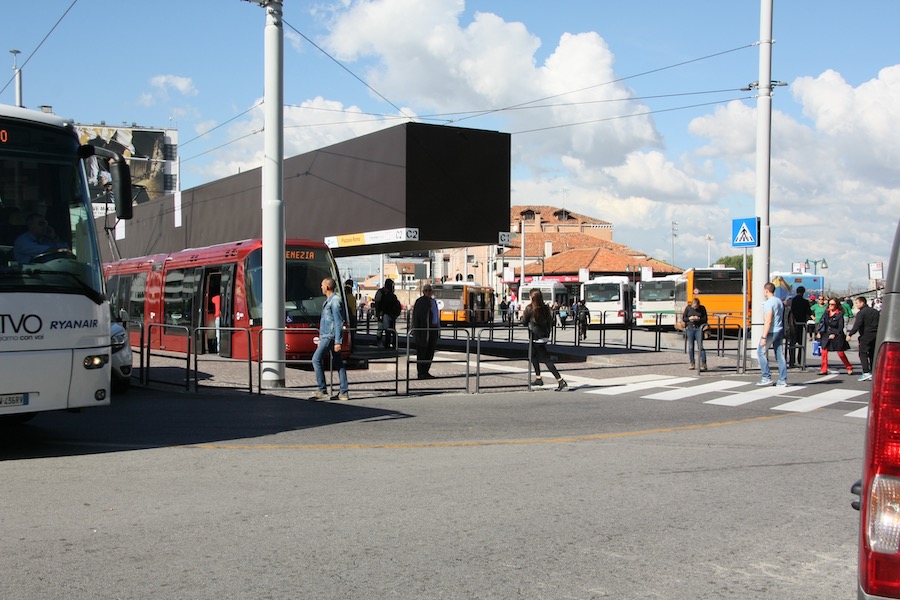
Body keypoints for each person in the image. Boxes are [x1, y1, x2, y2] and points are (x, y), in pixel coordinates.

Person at [521, 288, 567, 391]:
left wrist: (522, 318)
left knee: (546, 359)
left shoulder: (530, 308)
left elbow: (524, 322)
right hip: (544, 336)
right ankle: (538, 378)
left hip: (535, 337)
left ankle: (560, 380)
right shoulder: (545, 308)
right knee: (533, 355)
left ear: (532, 297)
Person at [311, 277, 349, 401]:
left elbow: (338, 322)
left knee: (316, 359)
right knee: (339, 363)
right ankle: (343, 392)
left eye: (322, 285)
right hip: (328, 335)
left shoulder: (335, 301)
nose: (321, 287)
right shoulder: (330, 300)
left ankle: (322, 389)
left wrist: (338, 341)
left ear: (327, 287)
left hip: (330, 336)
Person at [757, 282, 787, 386]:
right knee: (779, 355)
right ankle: (782, 379)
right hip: (779, 329)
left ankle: (766, 377)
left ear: (766, 290)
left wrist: (763, 337)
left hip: (771, 331)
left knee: (760, 352)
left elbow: (768, 320)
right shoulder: (779, 301)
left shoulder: (769, 303)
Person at [816, 297, 853, 376]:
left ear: (836, 305)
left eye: (832, 304)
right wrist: (819, 332)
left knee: (840, 353)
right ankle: (823, 369)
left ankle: (849, 366)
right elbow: (822, 322)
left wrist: (834, 334)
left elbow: (840, 327)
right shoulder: (826, 312)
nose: (830, 306)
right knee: (824, 351)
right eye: (829, 304)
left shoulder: (839, 314)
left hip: (837, 335)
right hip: (826, 334)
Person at [847, 296, 880, 381]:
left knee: (863, 353)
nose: (856, 305)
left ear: (862, 303)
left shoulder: (861, 313)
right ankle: (873, 371)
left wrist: (850, 334)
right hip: (876, 334)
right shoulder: (875, 312)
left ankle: (866, 372)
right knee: (872, 353)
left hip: (866, 335)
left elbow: (857, 325)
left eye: (857, 303)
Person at [412, 283, 440, 379]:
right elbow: (417, 316)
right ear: (423, 292)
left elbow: (436, 315)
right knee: (422, 351)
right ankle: (421, 372)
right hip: (423, 330)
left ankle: (426, 371)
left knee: (430, 351)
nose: (428, 292)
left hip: (433, 329)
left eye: (430, 291)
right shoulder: (420, 302)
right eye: (426, 291)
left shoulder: (433, 302)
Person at [787, 286, 813, 368]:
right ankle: (800, 361)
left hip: (792, 324)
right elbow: (809, 312)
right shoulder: (805, 302)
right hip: (802, 325)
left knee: (792, 343)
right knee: (801, 344)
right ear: (803, 292)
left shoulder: (791, 301)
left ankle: (791, 361)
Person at [681, 297, 708, 371]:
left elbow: (705, 319)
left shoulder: (702, 308)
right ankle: (692, 363)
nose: (695, 308)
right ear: (692, 304)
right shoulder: (688, 308)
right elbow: (684, 318)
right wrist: (690, 318)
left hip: (699, 328)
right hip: (690, 328)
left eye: (696, 306)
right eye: (694, 306)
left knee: (700, 346)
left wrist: (699, 318)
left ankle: (704, 364)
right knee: (691, 347)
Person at [374, 278, 402, 349]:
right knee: (391, 330)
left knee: (382, 329)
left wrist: (378, 313)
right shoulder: (392, 295)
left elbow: (377, 303)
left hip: (384, 314)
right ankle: (391, 343)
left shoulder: (381, 292)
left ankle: (383, 343)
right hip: (390, 314)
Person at [344, 279, 358, 350]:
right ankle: (352, 346)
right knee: (352, 332)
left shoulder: (342, 298)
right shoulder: (352, 298)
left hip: (345, 316)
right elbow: (353, 309)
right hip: (352, 316)